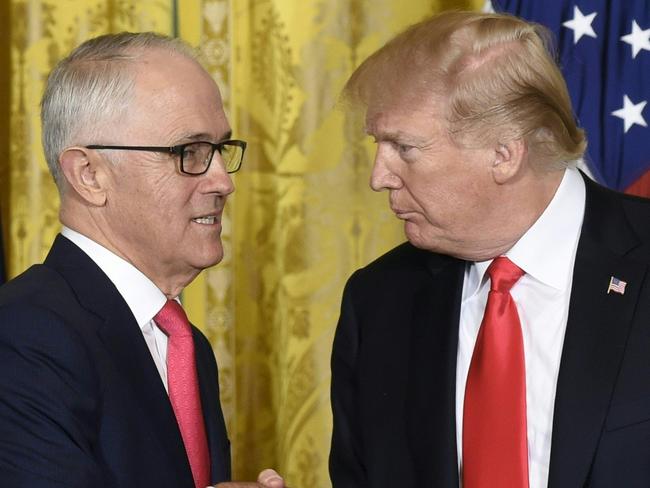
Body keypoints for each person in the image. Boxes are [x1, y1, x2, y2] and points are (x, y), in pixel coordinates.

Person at [330, 10, 650, 488]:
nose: (380, 177)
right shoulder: (378, 302)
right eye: (379, 146)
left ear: (503, 153)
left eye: (405, 148)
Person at [0, 32, 285, 488]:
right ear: (89, 175)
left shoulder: (186, 345)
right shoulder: (22, 335)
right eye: (188, 152)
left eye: (220, 150)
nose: (222, 182)